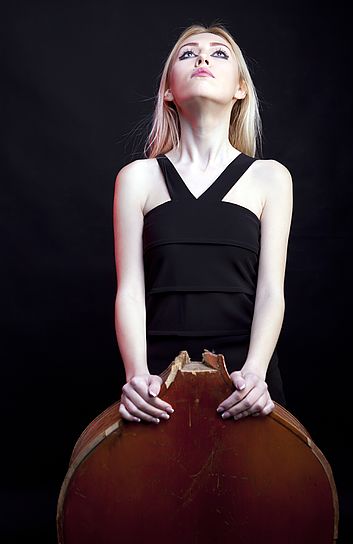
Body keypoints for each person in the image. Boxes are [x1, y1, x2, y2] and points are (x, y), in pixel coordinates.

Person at [113, 22, 293, 426]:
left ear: (240, 89)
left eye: (219, 53)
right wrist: (137, 376)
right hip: (159, 391)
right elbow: (130, 292)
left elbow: (270, 292)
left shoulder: (270, 178)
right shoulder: (137, 178)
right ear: (168, 91)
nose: (203, 58)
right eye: (188, 53)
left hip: (245, 386)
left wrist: (256, 374)